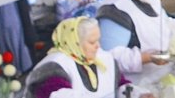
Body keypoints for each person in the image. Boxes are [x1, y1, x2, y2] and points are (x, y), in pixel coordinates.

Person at [23, 17, 154, 98]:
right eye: (92, 42)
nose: (98, 46)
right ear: (75, 42)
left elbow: (119, 85)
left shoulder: (102, 59)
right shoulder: (53, 66)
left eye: (98, 40)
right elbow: (56, 93)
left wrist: (138, 94)